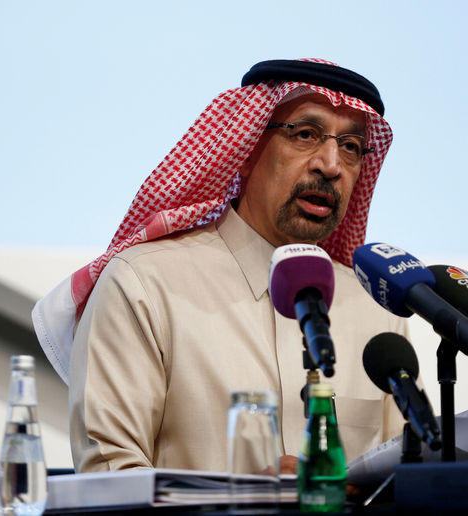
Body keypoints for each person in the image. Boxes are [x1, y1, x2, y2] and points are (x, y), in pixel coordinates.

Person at [32, 58, 413, 473]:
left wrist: (448, 470)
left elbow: (403, 468)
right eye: (305, 134)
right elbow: (109, 476)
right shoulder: (144, 283)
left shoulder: (375, 309)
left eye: (352, 147)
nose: (331, 165)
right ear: (246, 150)